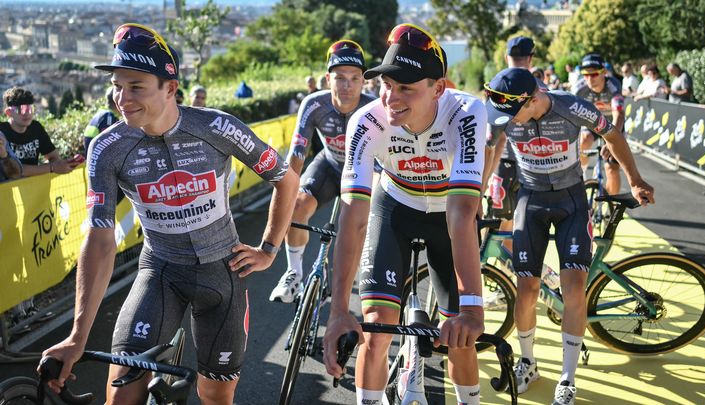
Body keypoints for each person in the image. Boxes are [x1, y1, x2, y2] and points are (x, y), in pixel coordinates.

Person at [40, 23, 299, 404]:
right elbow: (99, 240)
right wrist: (78, 336)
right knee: (122, 395)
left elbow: (286, 179)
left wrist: (269, 250)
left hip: (222, 273)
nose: (121, 99)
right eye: (116, 86)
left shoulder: (216, 127)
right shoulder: (107, 148)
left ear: (171, 88)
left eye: (136, 87)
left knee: (214, 396)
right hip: (160, 270)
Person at [323, 23, 487, 405]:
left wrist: (473, 309)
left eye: (406, 88)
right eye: (386, 85)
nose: (391, 98)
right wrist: (337, 310)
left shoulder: (466, 113)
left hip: (448, 214)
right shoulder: (366, 122)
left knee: (459, 337)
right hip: (394, 206)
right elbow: (353, 216)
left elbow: (463, 213)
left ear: (439, 88)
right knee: (377, 330)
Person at [484, 67, 654, 405]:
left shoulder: (571, 107)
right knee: (526, 288)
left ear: (532, 100)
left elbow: (613, 135)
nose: (507, 120)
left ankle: (567, 377)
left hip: (571, 201)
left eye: (511, 113)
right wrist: (476, 191)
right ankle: (528, 362)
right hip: (530, 200)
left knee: (574, 286)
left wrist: (634, 179)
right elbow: (494, 143)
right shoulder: (507, 113)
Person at [269, 39, 374, 303]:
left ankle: (346, 282)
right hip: (328, 165)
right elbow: (296, 155)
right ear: (328, 79)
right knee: (298, 205)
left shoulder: (374, 108)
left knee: (352, 228)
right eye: (340, 78)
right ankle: (294, 273)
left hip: (362, 173)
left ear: (363, 81)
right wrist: (287, 195)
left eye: (354, 78)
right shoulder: (314, 104)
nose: (347, 86)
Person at [482, 35, 546, 254]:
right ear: (531, 58)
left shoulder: (497, 87)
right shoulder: (543, 88)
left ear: (505, 56)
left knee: (497, 232)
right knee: (528, 232)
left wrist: (481, 186)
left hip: (506, 164)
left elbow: (493, 141)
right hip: (539, 169)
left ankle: (508, 279)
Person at [572, 53, 625, 195]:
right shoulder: (579, 88)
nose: (589, 78)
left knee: (611, 168)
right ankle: (581, 174)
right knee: (583, 140)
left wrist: (611, 140)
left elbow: (619, 114)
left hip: (612, 124)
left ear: (604, 72)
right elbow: (570, 115)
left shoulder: (613, 86)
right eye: (585, 74)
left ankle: (611, 204)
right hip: (592, 123)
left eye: (594, 74)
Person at [1, 87, 79, 177]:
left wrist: (67, 164)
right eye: (20, 109)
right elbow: (14, 171)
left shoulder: (36, 128)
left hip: (33, 185)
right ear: (8, 112)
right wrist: (51, 168)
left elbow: (54, 157)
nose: (26, 113)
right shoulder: (2, 132)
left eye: (29, 109)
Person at [83, 86, 120, 156]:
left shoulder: (102, 112)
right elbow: (108, 139)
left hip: (91, 152)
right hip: (97, 153)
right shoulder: (109, 116)